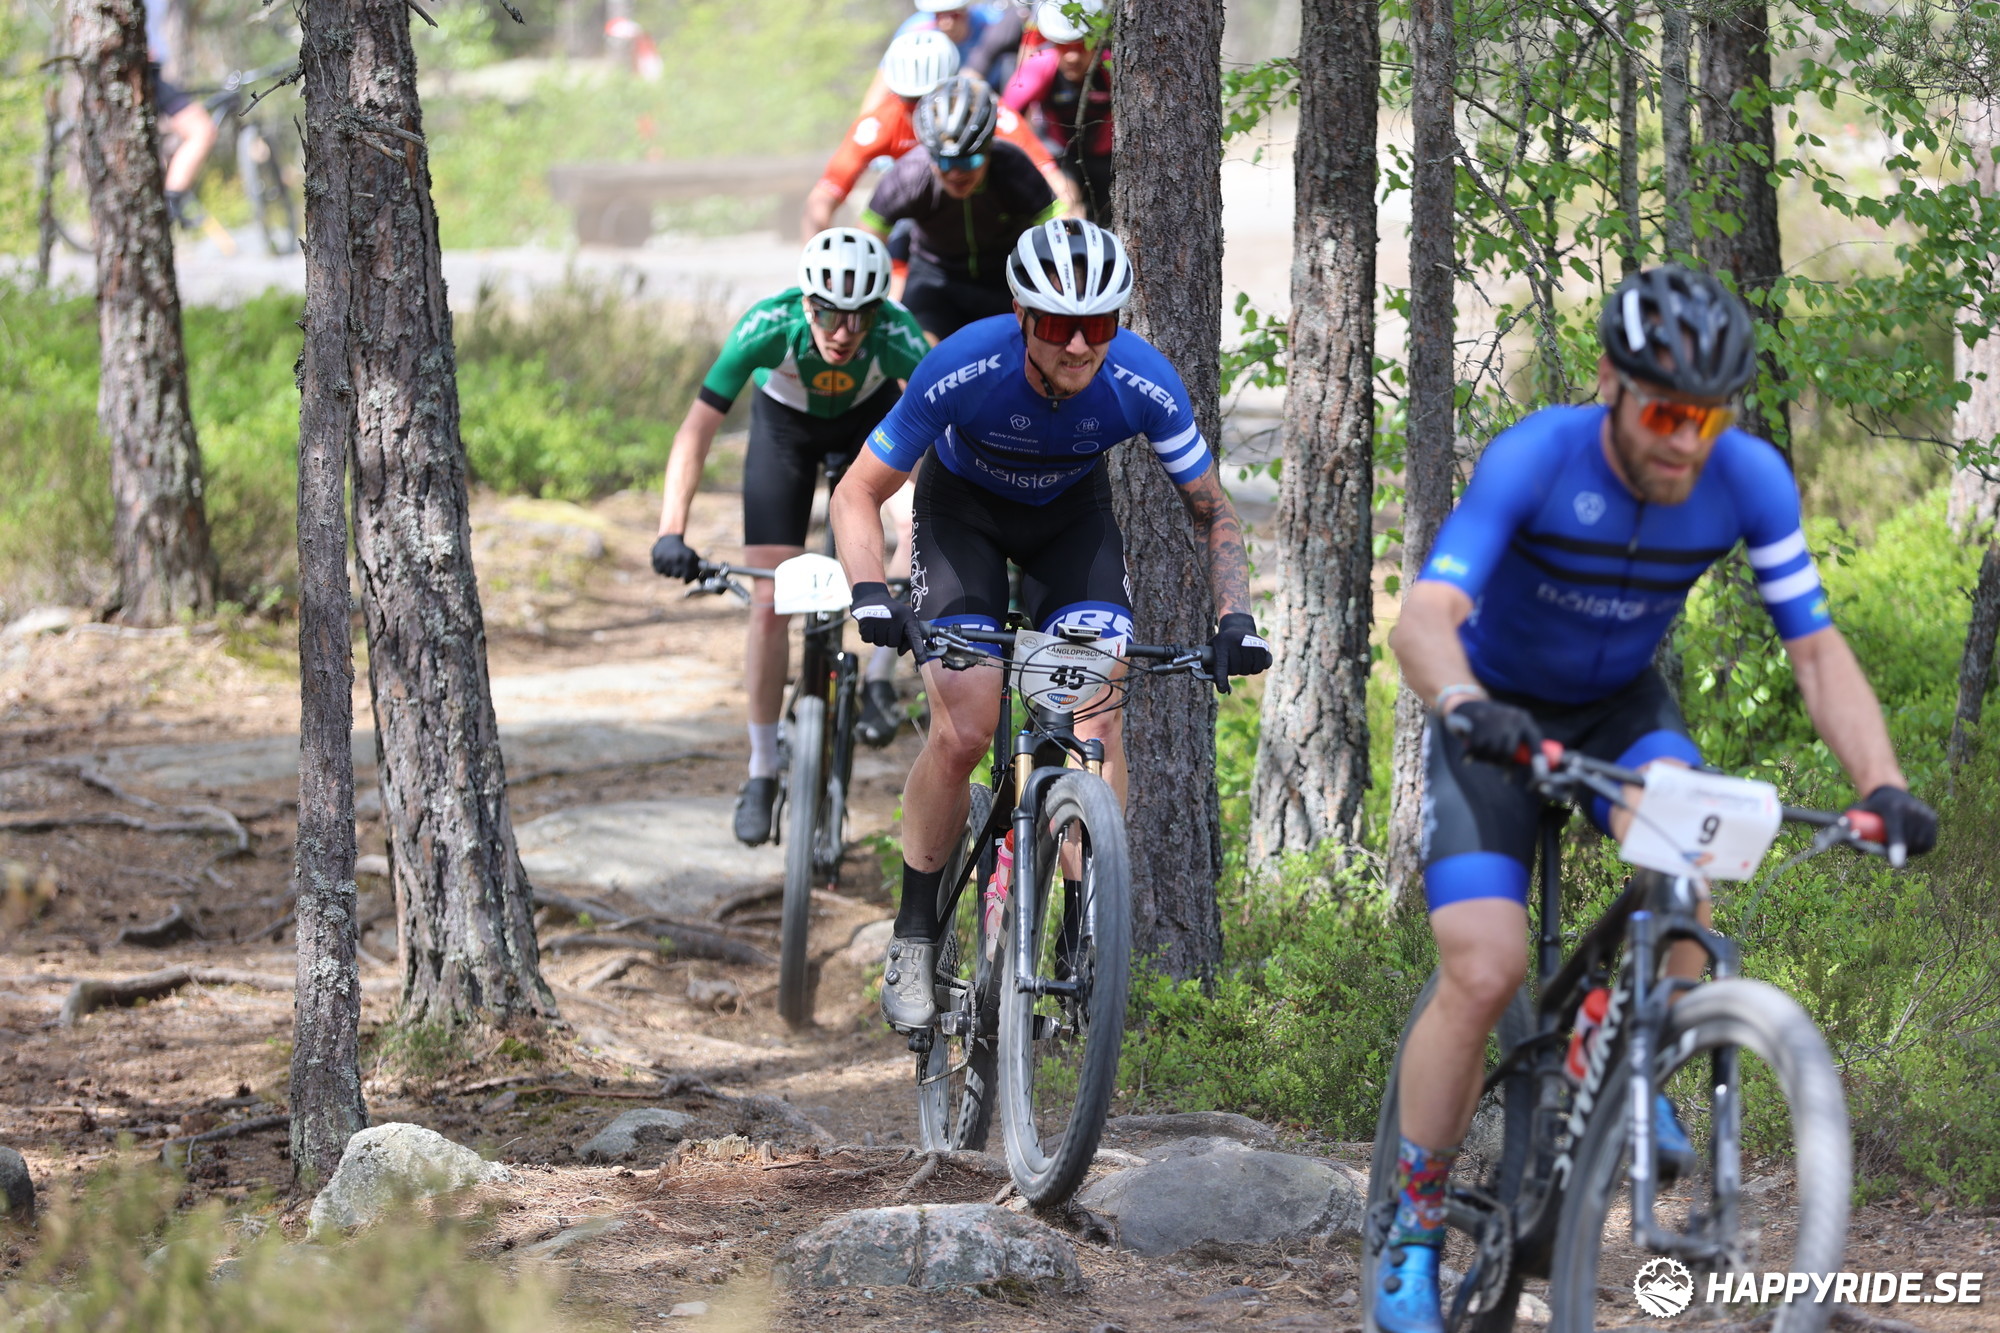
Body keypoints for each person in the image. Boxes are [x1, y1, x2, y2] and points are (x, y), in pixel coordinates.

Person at [1377, 264, 1940, 1333]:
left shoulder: (1748, 477)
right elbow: (1424, 618)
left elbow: (1815, 651)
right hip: (1492, 714)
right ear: (1609, 383)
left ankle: (1647, 1064)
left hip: (1619, 711)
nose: (1687, 440)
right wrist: (1463, 703)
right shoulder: (1537, 455)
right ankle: (1409, 1227)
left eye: (1708, 417)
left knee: (1690, 850)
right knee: (1486, 966)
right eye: (1665, 413)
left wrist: (1883, 785)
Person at [827, 218, 1273, 1028]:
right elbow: (857, 490)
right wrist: (867, 593)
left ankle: (1084, 930)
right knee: (966, 728)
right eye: (1058, 325)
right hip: (962, 517)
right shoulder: (964, 364)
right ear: (1021, 315)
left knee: (1096, 715)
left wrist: (1234, 616)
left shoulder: (1141, 380)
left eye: (1097, 326)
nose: (1077, 345)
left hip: (1071, 525)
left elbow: (1213, 511)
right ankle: (915, 934)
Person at [651, 230, 933, 843]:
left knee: (914, 526)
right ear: (805, 304)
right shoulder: (768, 326)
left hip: (868, 430)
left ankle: (879, 675)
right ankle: (760, 769)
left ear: (879, 312)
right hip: (784, 434)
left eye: (859, 317)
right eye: (828, 314)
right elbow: (696, 431)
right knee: (769, 602)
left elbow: (948, 433)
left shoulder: (898, 335)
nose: (843, 332)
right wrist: (672, 529)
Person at [801, 31, 1075, 240]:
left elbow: (1055, 182)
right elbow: (823, 199)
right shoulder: (880, 123)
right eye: (909, 100)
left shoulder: (987, 113)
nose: (920, 110)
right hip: (922, 222)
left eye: (930, 98)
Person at [861, 77, 1063, 342]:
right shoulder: (909, 174)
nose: (956, 173)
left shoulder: (1012, 167)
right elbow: (867, 240)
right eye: (944, 161)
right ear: (929, 154)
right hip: (935, 278)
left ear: (989, 149)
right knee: (924, 353)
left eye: (969, 160)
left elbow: (1061, 227)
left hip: (1004, 278)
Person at [1003, 0, 1113, 223]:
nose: (1073, 56)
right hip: (1060, 153)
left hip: (1108, 158)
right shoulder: (1039, 67)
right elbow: (1005, 118)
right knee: (1068, 211)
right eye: (1063, 46)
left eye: (1082, 46)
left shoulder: (1112, 66)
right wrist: (1044, 167)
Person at [144, 0, 217, 228]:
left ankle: (171, 198)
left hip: (155, 70)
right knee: (201, 130)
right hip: (144, 71)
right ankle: (171, 203)